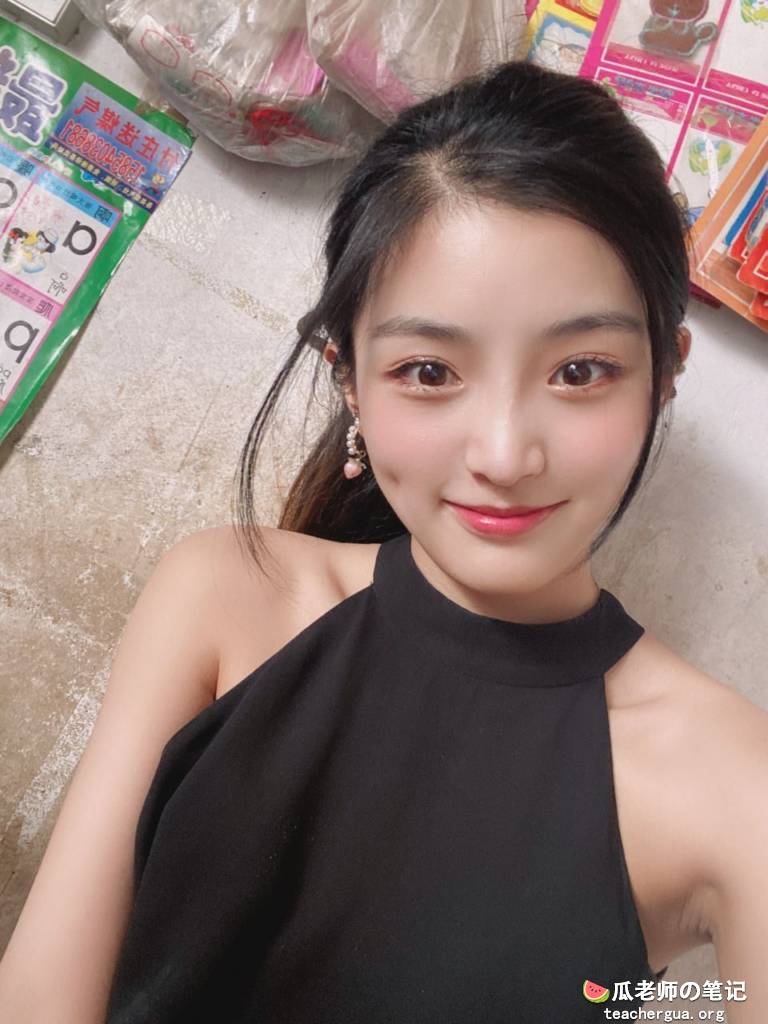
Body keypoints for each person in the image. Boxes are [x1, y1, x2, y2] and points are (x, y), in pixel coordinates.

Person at [1, 59, 766, 1024]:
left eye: (580, 370)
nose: (504, 455)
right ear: (350, 380)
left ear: (663, 376)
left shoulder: (732, 785)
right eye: (428, 371)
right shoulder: (224, 594)